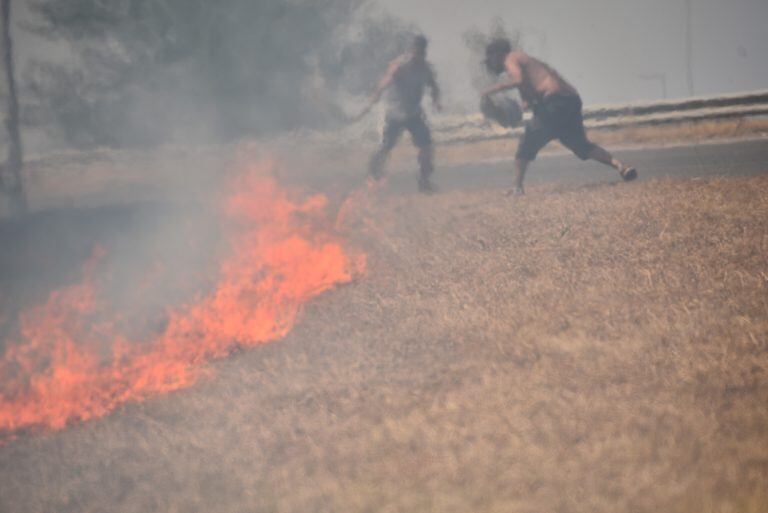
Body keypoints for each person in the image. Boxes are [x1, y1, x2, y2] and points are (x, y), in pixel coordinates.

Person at [481, 38, 637, 195]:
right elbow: (527, 97)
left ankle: (517, 188)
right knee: (580, 145)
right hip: (570, 100)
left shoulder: (511, 58)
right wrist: (510, 111)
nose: (491, 62)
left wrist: (490, 90)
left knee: (525, 145)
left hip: (554, 102)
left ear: (498, 54)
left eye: (491, 57)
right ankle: (620, 166)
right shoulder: (526, 62)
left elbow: (517, 79)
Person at [355, 35, 442, 194]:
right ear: (411, 50)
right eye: (415, 49)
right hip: (394, 113)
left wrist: (436, 100)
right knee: (386, 147)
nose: (418, 54)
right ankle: (373, 175)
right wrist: (374, 97)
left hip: (414, 114)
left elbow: (433, 85)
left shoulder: (425, 68)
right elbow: (385, 81)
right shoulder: (400, 65)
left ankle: (424, 181)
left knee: (426, 147)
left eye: (421, 50)